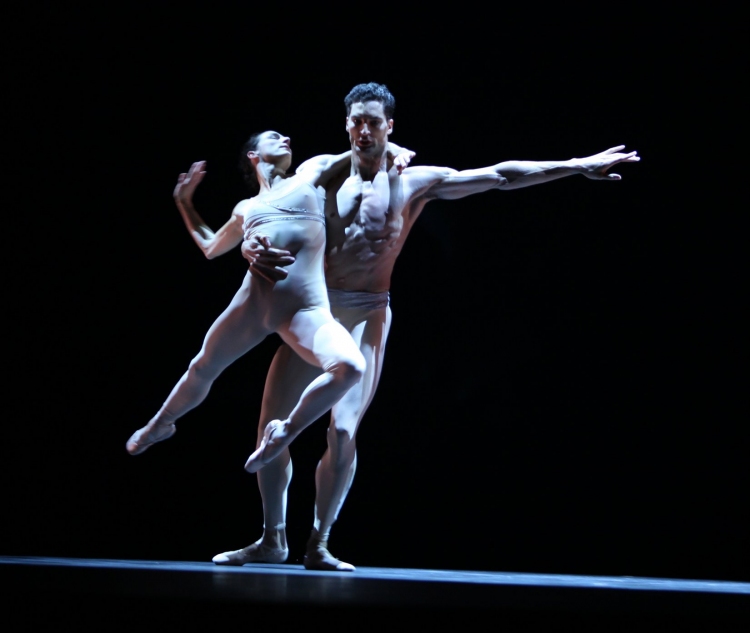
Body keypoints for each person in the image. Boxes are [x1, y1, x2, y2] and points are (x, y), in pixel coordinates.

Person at [212, 83, 640, 571]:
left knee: (344, 430)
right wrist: (249, 247)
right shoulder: (319, 179)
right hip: (316, 312)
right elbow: (265, 213)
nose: (363, 129)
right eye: (355, 120)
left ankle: (320, 542)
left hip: (368, 314)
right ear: (346, 123)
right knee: (270, 427)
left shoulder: (414, 182)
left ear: (389, 126)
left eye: (373, 121)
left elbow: (500, 176)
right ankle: (272, 539)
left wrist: (578, 166)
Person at [125, 131, 382, 471]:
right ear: (253, 155)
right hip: (252, 306)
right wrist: (184, 202)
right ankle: (161, 423)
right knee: (202, 366)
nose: (287, 138)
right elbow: (211, 246)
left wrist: (391, 147)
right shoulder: (246, 207)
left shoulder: (308, 176)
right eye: (274, 137)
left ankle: (284, 432)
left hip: (305, 310)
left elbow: (361, 151)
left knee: (350, 367)